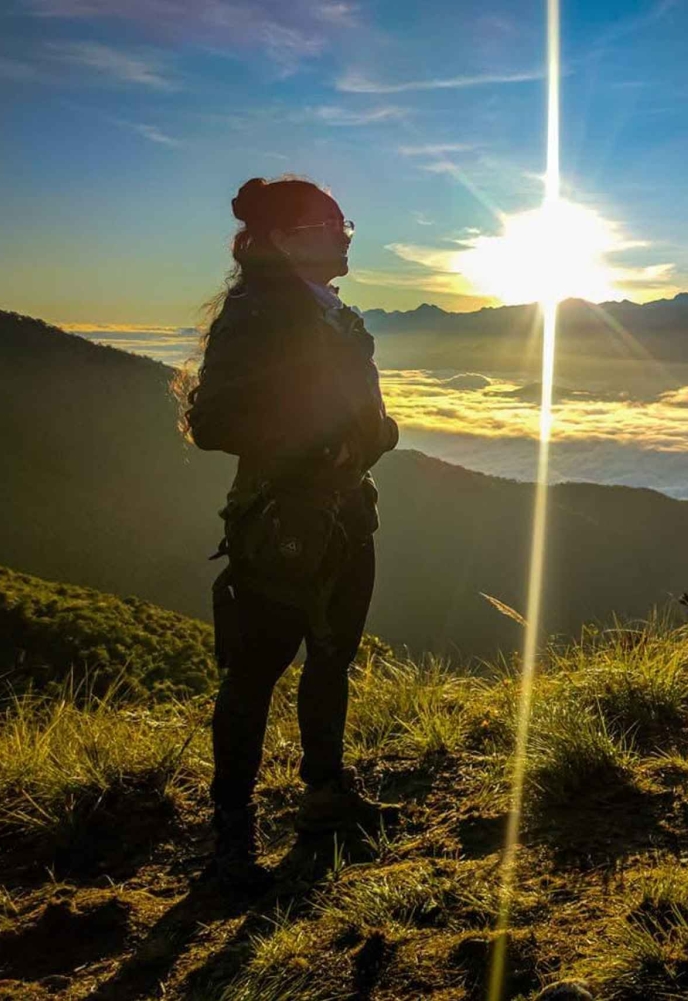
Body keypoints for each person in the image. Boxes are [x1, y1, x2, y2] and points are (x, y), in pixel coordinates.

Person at [184, 176, 400, 889]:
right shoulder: (256, 315)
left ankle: (324, 804)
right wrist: (317, 446)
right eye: (327, 223)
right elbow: (212, 422)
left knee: (330, 660)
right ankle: (231, 842)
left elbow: (352, 413)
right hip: (279, 524)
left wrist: (376, 434)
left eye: (345, 222)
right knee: (253, 675)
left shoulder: (325, 310)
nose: (342, 234)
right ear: (282, 240)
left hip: (340, 517)